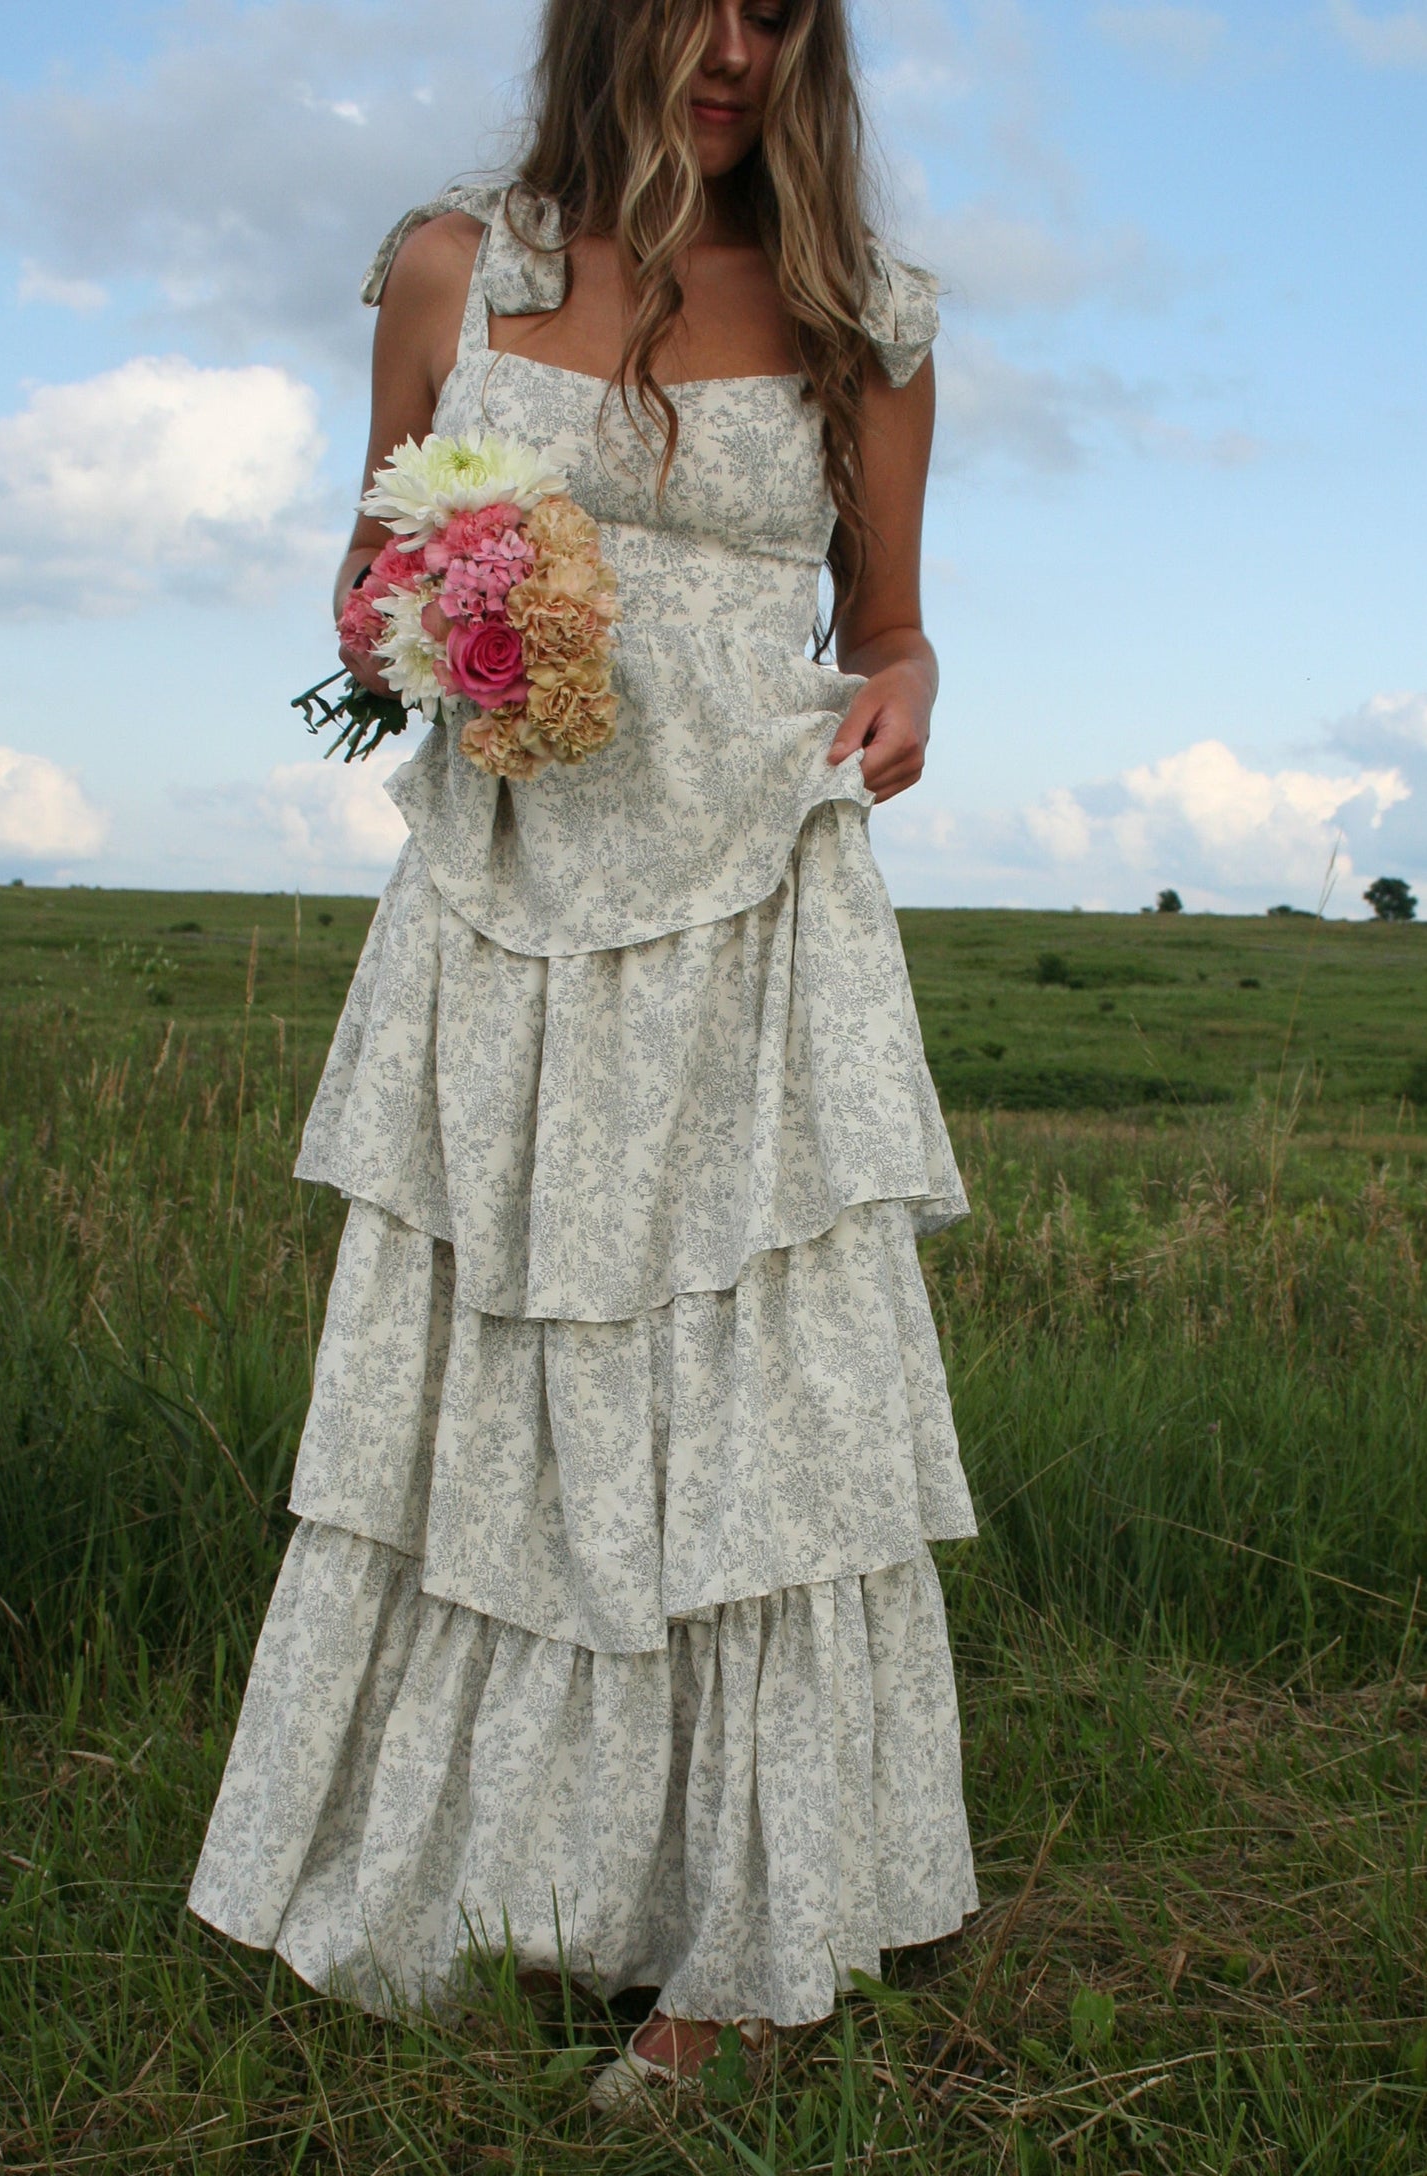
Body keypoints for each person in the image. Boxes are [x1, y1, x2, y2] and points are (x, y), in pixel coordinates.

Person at [189, 0, 978, 2105]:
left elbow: (891, 618)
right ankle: (513, 1886)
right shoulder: (462, 267)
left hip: (750, 914)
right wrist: (431, 602)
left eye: (779, 10)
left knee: (739, 1413)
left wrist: (902, 689)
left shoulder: (859, 318)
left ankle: (739, 1940)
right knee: (510, 1400)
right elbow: (360, 592)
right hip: (511, 908)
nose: (733, 45)